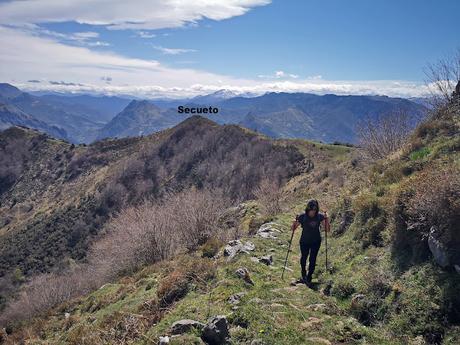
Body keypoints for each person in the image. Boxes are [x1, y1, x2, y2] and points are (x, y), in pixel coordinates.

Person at [291, 199, 330, 284]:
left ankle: (309, 277)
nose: (313, 212)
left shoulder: (319, 216)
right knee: (304, 257)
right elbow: (293, 229)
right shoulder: (302, 217)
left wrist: (327, 220)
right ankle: (303, 274)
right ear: (307, 209)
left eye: (315, 210)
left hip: (316, 241)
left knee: (313, 259)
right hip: (304, 241)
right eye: (311, 210)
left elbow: (327, 230)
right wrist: (294, 222)